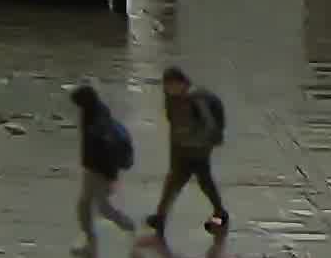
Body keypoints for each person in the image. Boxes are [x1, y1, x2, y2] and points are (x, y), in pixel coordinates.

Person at [148, 65, 232, 235]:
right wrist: (175, 149)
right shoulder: (171, 100)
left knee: (203, 182)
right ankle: (160, 217)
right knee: (176, 182)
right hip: (182, 149)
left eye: (171, 85)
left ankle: (220, 213)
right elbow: (174, 126)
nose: (168, 89)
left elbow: (209, 126)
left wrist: (197, 141)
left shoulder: (195, 99)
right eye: (166, 85)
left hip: (198, 150)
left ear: (181, 83)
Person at [71, 83, 139, 241]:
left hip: (100, 169)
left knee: (100, 207)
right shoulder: (94, 111)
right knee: (86, 204)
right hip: (95, 167)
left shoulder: (97, 118)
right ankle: (89, 237)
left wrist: (110, 174)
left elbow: (104, 145)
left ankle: (128, 226)